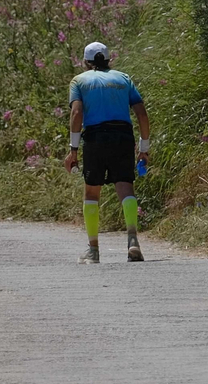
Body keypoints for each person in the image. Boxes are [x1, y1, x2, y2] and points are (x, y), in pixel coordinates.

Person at [62, 41, 151, 264]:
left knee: (92, 193)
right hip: (123, 135)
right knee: (125, 187)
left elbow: (76, 113)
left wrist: (73, 150)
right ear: (109, 59)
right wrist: (144, 149)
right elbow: (141, 114)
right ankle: (133, 242)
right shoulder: (123, 79)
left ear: (86, 62)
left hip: (95, 137)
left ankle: (93, 251)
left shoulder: (79, 81)